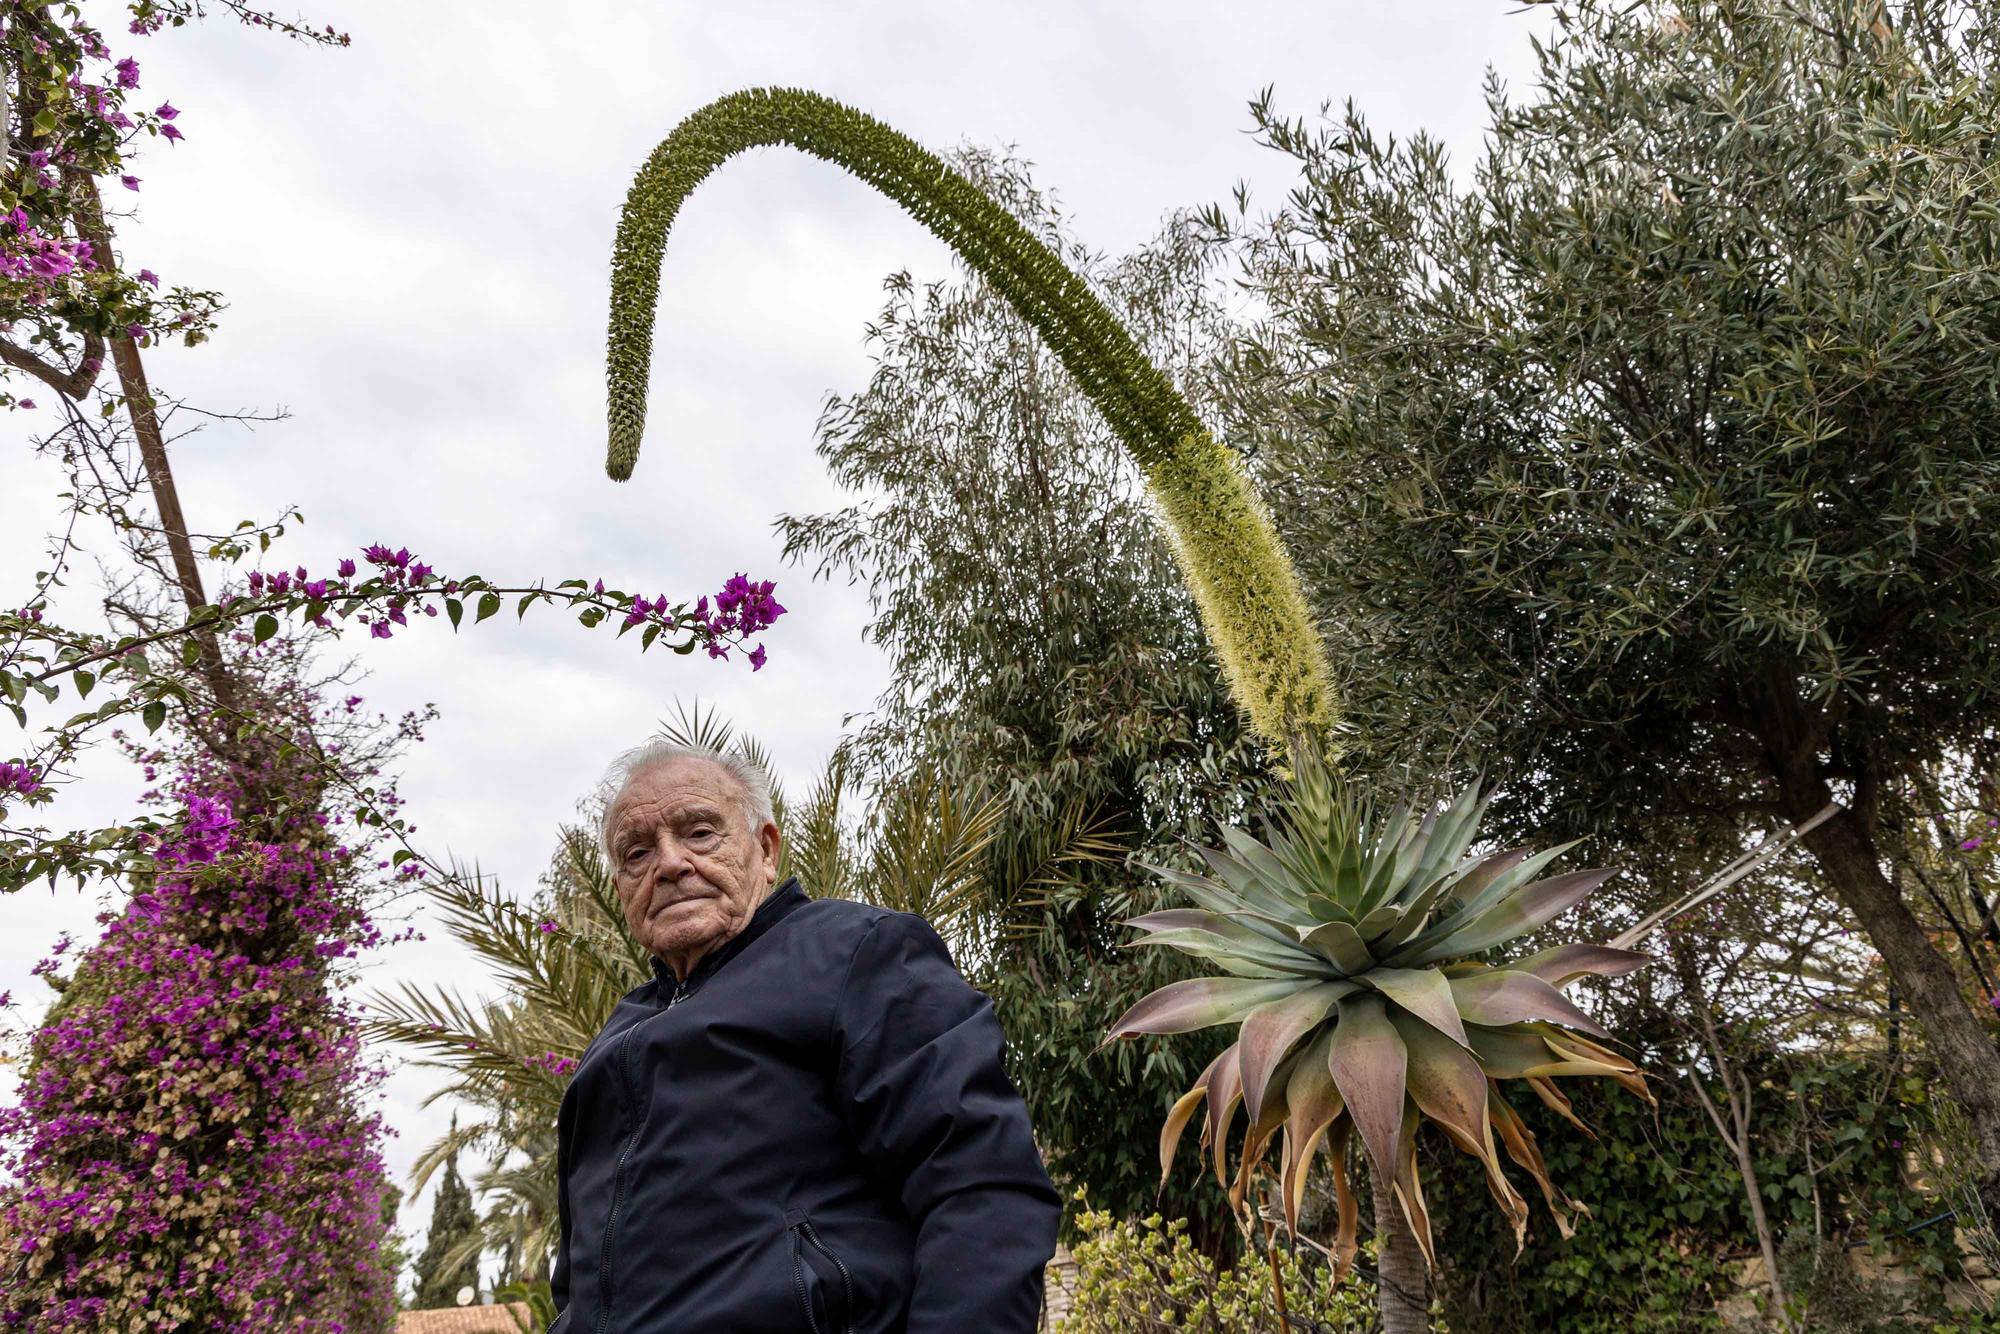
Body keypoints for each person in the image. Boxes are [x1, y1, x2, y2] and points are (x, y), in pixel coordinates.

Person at [549, 740, 1061, 1333]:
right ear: (621, 891)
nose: (668, 863)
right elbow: (578, 1284)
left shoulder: (855, 953)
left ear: (766, 850)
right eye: (637, 852)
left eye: (699, 833)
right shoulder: (612, 1042)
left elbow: (980, 1184)